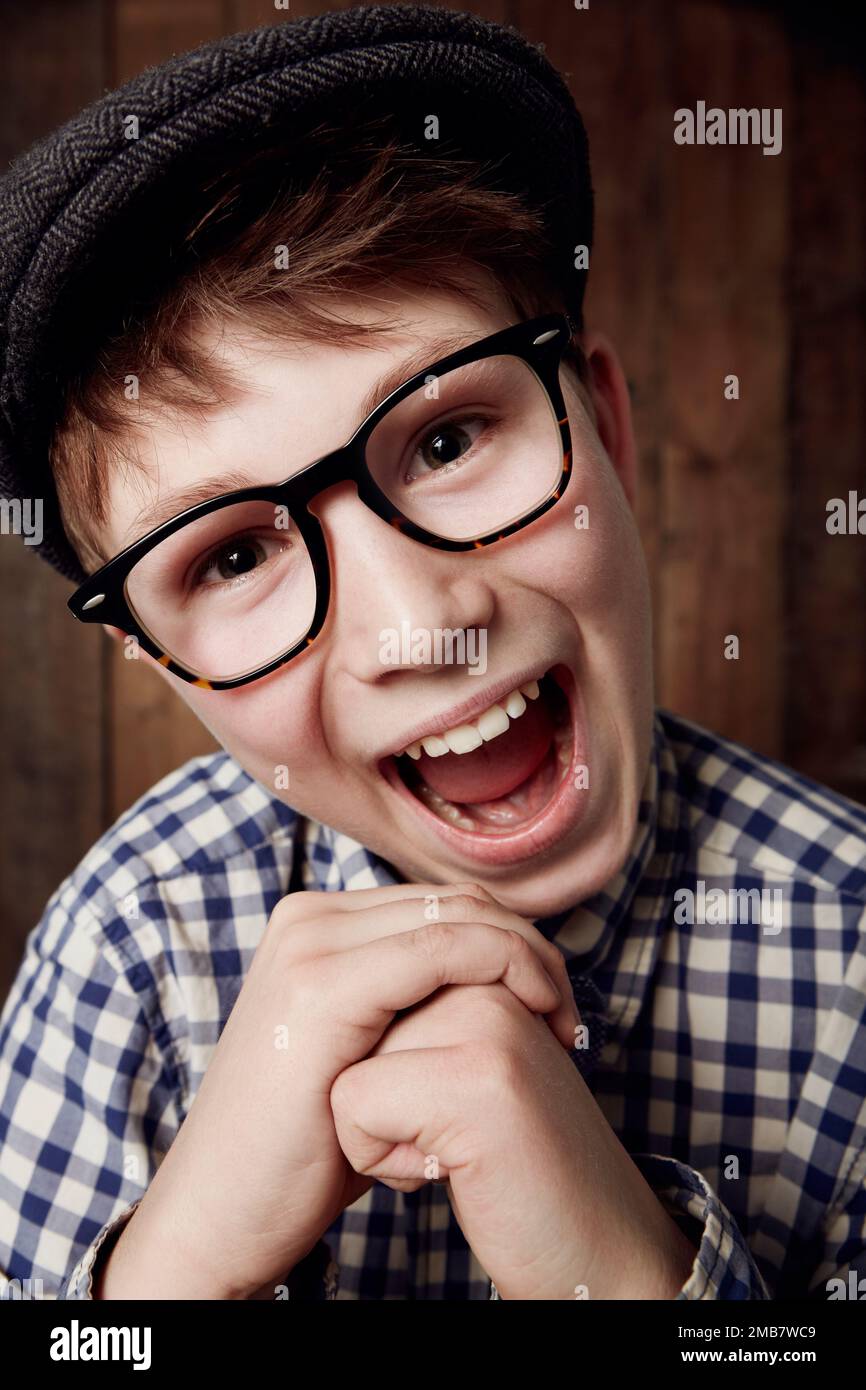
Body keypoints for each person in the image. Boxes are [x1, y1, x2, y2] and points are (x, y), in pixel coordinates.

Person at [1, 6, 864, 1302]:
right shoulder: (130, 943)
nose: (416, 626)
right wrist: (167, 1277)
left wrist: (636, 1281)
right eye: (232, 558)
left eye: (450, 439)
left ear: (608, 428)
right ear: (164, 665)